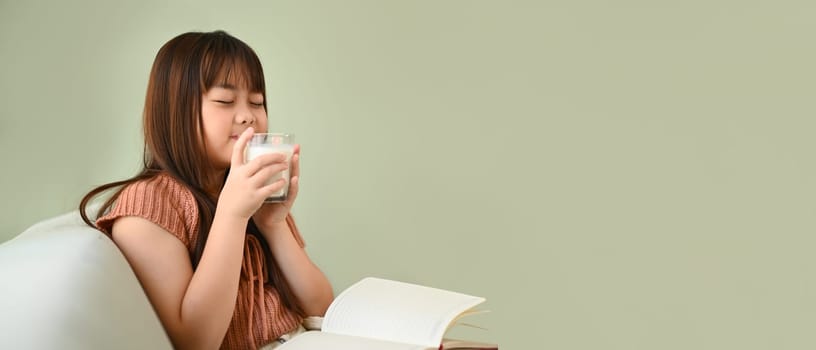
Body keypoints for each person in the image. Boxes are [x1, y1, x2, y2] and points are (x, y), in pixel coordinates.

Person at [79, 30, 334, 350]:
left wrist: (274, 224)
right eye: (225, 101)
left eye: (257, 102)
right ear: (176, 111)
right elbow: (196, 341)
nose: (248, 116)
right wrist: (232, 215)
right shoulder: (150, 204)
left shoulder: (250, 189)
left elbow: (322, 309)